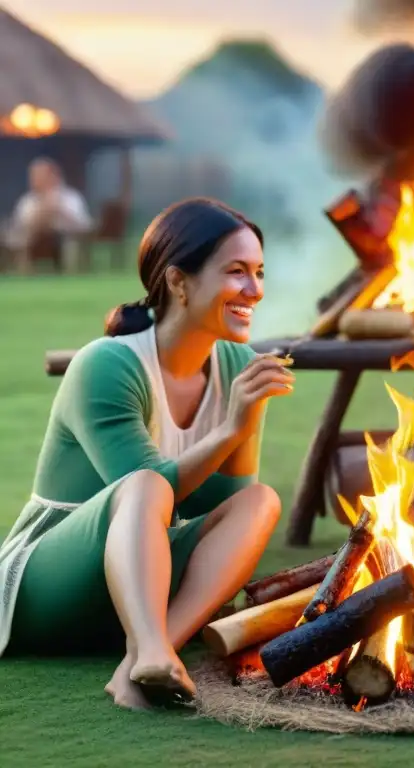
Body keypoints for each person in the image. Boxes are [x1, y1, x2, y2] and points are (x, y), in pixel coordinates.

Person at [0, 198, 294, 711]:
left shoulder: (236, 365)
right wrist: (231, 429)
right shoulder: (108, 365)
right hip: (49, 586)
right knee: (146, 485)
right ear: (178, 282)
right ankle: (150, 646)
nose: (255, 291)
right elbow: (149, 484)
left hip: (142, 586)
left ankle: (153, 656)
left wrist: (244, 423)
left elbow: (221, 510)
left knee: (261, 502)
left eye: (259, 273)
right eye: (236, 272)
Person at [5, 157, 93, 272]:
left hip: (64, 240)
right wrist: (41, 214)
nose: (34, 180)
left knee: (70, 245)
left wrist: (60, 211)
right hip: (32, 242)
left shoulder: (70, 198)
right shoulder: (28, 201)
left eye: (39, 176)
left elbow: (84, 225)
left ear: (53, 176)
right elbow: (20, 225)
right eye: (33, 176)